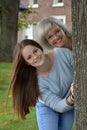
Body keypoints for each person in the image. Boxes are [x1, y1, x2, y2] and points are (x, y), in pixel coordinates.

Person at [10, 39, 74, 130]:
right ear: (27, 63)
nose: (35, 57)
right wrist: (73, 98)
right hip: (48, 106)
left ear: (39, 48)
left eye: (35, 51)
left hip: (69, 104)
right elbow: (57, 105)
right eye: (29, 57)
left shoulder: (62, 53)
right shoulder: (35, 82)